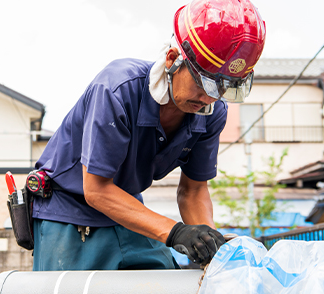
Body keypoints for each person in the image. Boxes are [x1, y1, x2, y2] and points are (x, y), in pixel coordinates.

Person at [31, 0, 266, 274]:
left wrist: (210, 248)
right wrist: (176, 233)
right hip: (68, 209)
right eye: (204, 83)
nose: (209, 98)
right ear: (172, 59)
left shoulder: (211, 112)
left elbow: (193, 191)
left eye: (224, 87)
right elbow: (95, 189)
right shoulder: (117, 89)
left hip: (126, 208)